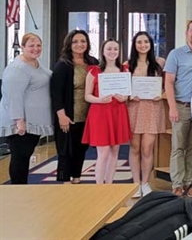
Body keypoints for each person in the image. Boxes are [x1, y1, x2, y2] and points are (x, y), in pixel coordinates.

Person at [1, 33, 54, 184]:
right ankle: (18, 188)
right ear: (22, 47)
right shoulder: (18, 68)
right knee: (20, 158)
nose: (35, 49)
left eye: (38, 45)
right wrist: (19, 121)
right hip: (21, 123)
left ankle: (22, 188)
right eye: (31, 46)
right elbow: (13, 96)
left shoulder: (36, 63)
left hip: (34, 121)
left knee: (25, 155)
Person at [165, 19, 192, 196]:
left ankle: (189, 182)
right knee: (178, 147)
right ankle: (177, 184)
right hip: (181, 106)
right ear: (186, 33)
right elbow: (168, 82)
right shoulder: (176, 54)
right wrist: (172, 107)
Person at [50, 29, 98, 184]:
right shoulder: (63, 65)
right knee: (66, 151)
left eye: (83, 41)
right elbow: (56, 93)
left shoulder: (93, 63)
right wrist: (61, 116)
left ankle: (77, 178)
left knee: (81, 149)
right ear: (69, 44)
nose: (79, 44)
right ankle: (64, 182)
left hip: (89, 115)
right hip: (69, 116)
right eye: (75, 41)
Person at [82, 39, 132, 184]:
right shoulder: (94, 70)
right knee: (102, 153)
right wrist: (100, 100)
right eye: (109, 49)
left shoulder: (124, 70)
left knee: (114, 152)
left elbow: (127, 93)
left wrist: (125, 98)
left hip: (118, 112)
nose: (112, 52)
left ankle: (109, 184)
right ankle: (99, 187)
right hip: (100, 113)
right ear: (103, 51)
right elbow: (87, 96)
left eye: (115, 49)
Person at [125, 31, 166, 197]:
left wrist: (161, 94)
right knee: (135, 146)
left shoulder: (159, 63)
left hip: (153, 108)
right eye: (139, 42)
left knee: (148, 147)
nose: (143, 45)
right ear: (134, 45)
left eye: (146, 42)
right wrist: (129, 95)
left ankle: (145, 182)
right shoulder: (127, 65)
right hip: (134, 108)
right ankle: (136, 183)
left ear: (151, 44)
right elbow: (123, 87)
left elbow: (168, 85)